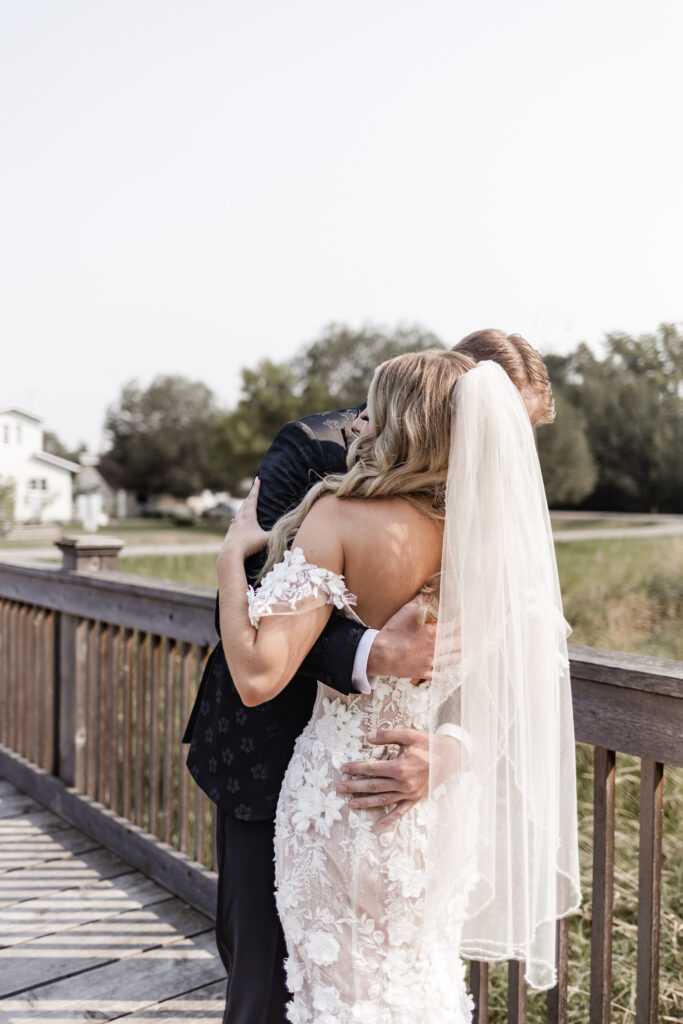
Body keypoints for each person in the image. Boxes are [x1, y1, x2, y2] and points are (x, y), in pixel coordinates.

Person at [183, 330, 556, 1023]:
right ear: (456, 394)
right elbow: (271, 606)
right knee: (287, 983)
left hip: (380, 786)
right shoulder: (311, 450)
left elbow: (515, 674)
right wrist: (369, 653)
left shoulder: (379, 516)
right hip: (272, 763)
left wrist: (450, 751)